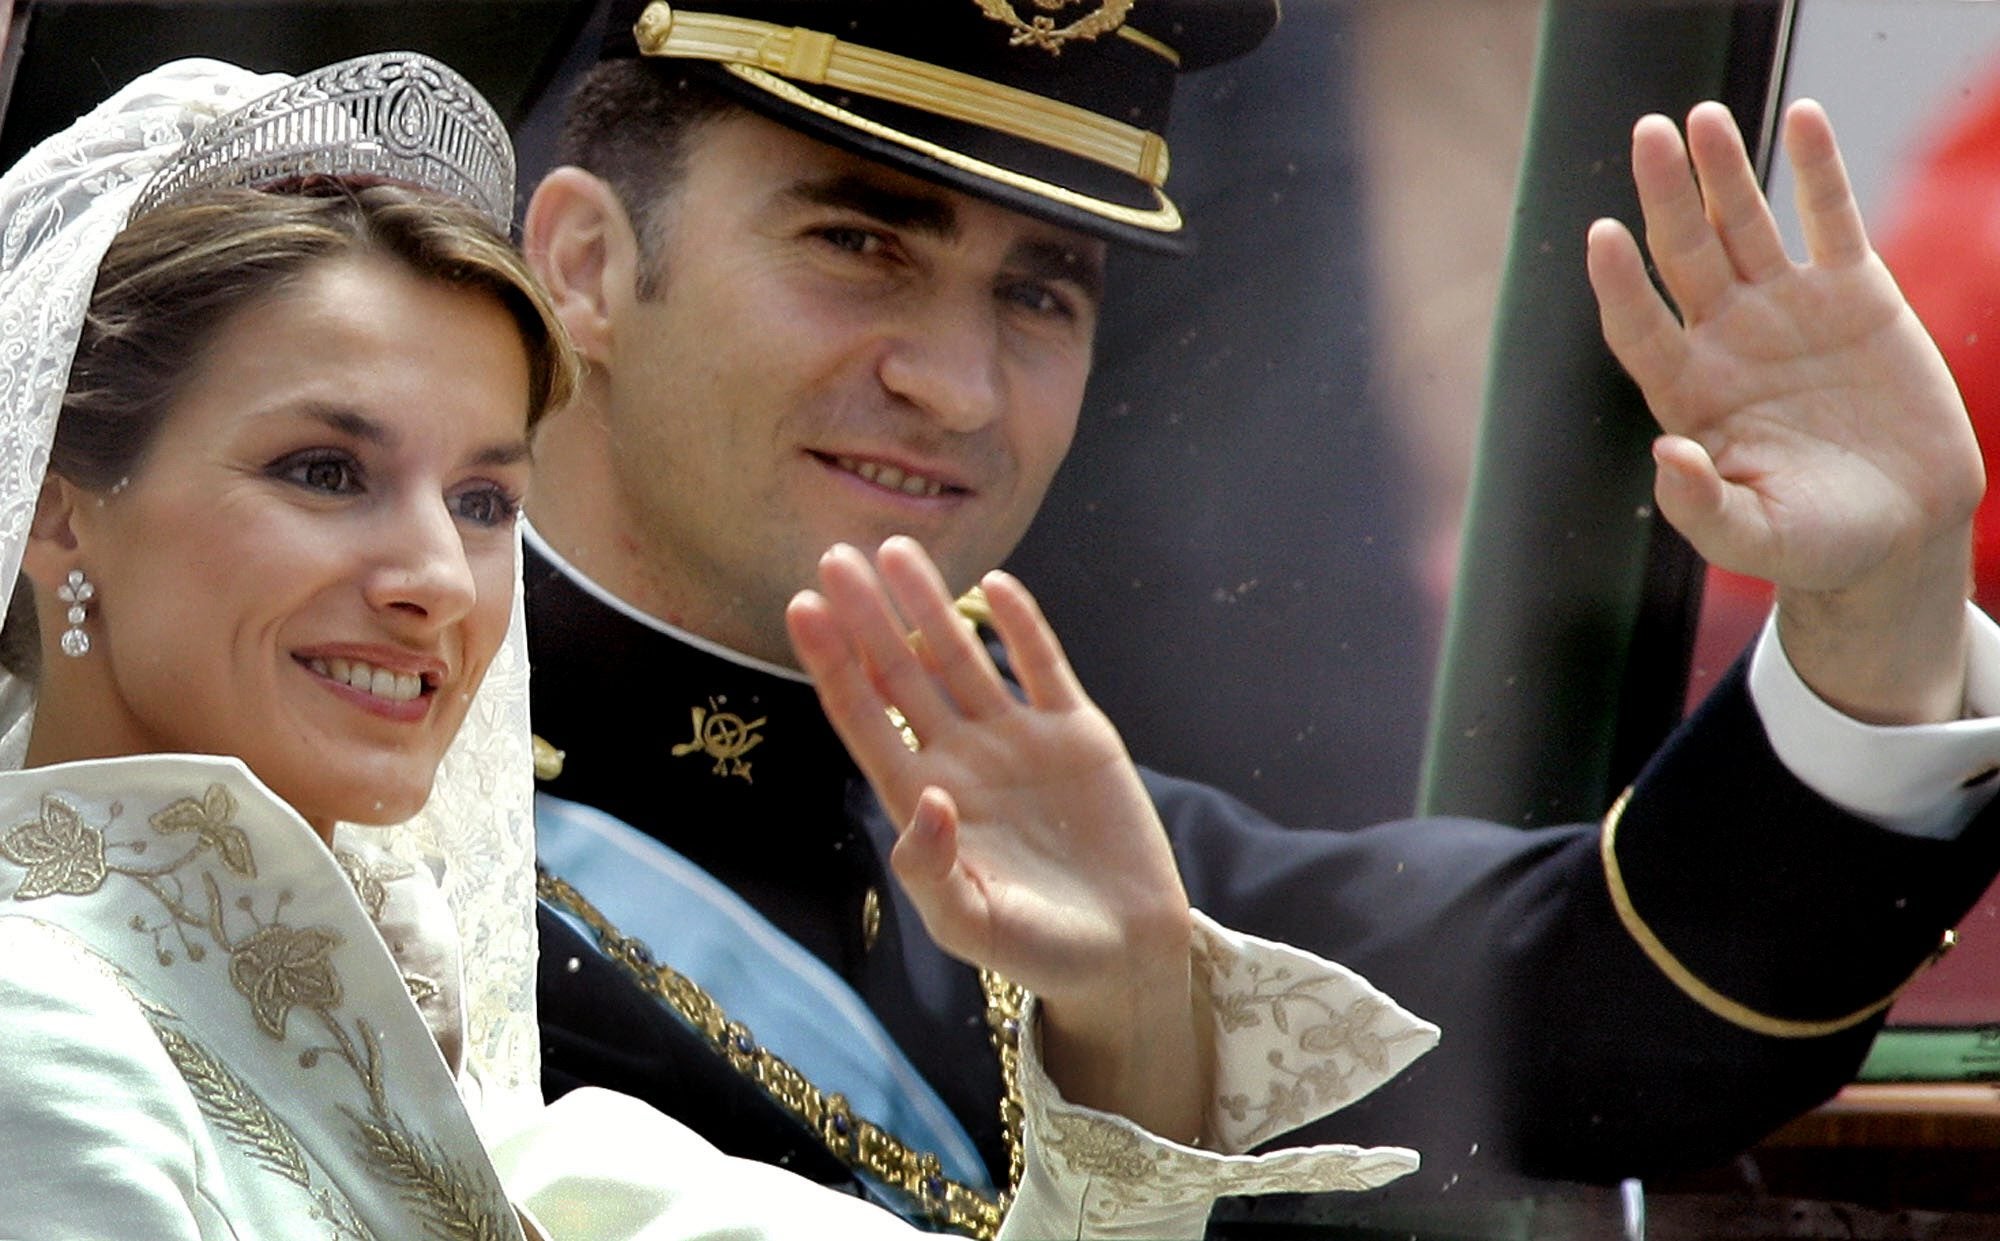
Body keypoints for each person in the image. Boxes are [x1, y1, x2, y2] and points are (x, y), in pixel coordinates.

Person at [518, 0, 2000, 1231]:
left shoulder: (1018, 800)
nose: (960, 388)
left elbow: (1608, 1008)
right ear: (584, 263)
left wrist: (1880, 598)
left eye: (1041, 293)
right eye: (859, 243)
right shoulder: (350, 805)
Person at [0, 51, 1439, 1241]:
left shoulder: (452, 1058)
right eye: (324, 471)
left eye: (488, 495)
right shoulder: (42, 1032)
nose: (436, 577)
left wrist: (1130, 1016)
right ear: (61, 508)